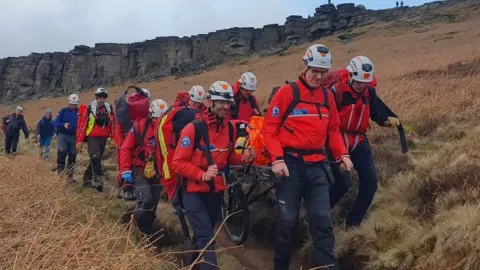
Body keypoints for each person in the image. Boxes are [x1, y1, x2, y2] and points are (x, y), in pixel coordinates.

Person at [262, 44, 353, 270]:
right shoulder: (287, 93)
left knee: (322, 222)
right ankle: (280, 266)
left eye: (323, 72)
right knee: (287, 223)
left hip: (316, 166)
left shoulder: (326, 97)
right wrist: (277, 159)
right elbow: (269, 130)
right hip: (289, 166)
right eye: (314, 70)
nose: (318, 76)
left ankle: (327, 267)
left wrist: (342, 154)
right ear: (305, 66)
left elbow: (333, 129)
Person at [172, 81, 256, 269]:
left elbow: (228, 156)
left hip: (215, 193)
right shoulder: (193, 129)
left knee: (203, 234)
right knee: (206, 239)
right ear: (209, 101)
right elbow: (177, 163)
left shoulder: (230, 129)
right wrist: (201, 175)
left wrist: (244, 158)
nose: (225, 107)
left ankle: (190, 265)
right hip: (193, 192)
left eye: (228, 103)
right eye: (220, 102)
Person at [328, 56, 401, 228]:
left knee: (370, 183)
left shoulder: (368, 93)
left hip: (359, 140)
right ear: (351, 75)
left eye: (365, 82)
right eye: (359, 81)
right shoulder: (336, 92)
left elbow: (375, 113)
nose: (362, 85)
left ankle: (353, 224)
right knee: (342, 184)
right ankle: (318, 215)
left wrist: (387, 121)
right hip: (336, 139)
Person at [119, 99, 168, 234]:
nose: (160, 123)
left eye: (162, 120)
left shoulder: (166, 130)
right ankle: (132, 229)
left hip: (156, 171)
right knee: (145, 200)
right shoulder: (138, 128)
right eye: (157, 119)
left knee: (153, 205)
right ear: (151, 115)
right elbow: (125, 148)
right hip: (139, 169)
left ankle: (146, 233)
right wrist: (125, 170)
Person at [77, 87, 116, 191]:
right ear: (96, 98)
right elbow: (83, 124)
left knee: (96, 160)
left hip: (103, 138)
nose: (101, 100)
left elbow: (113, 124)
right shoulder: (90, 108)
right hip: (92, 137)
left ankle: (86, 180)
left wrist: (113, 138)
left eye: (102, 98)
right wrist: (79, 140)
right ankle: (98, 180)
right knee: (95, 157)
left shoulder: (109, 109)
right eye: (99, 97)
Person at [55, 94, 80, 182]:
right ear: (69, 103)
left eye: (75, 104)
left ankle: (70, 176)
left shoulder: (80, 112)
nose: (73, 106)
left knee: (73, 155)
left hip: (74, 136)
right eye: (72, 104)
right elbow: (56, 122)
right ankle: (60, 173)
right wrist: (63, 124)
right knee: (62, 151)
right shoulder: (63, 111)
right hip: (63, 134)